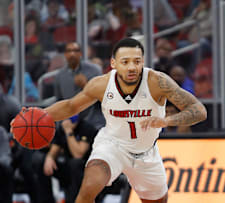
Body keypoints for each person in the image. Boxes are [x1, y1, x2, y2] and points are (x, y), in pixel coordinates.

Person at [12, 38, 207, 203]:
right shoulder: (101, 84)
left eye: (137, 61)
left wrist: (167, 121)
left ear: (143, 62)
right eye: (125, 61)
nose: (132, 67)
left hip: (146, 152)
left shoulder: (158, 81)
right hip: (112, 146)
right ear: (113, 63)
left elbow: (199, 110)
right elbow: (71, 106)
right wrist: (36, 115)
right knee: (89, 187)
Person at [32, 114, 97, 203]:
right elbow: (54, 149)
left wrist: (68, 131)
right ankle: (46, 200)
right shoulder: (61, 129)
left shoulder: (86, 128)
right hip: (69, 169)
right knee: (41, 161)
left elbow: (78, 154)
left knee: (75, 163)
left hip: (87, 171)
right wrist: (49, 158)